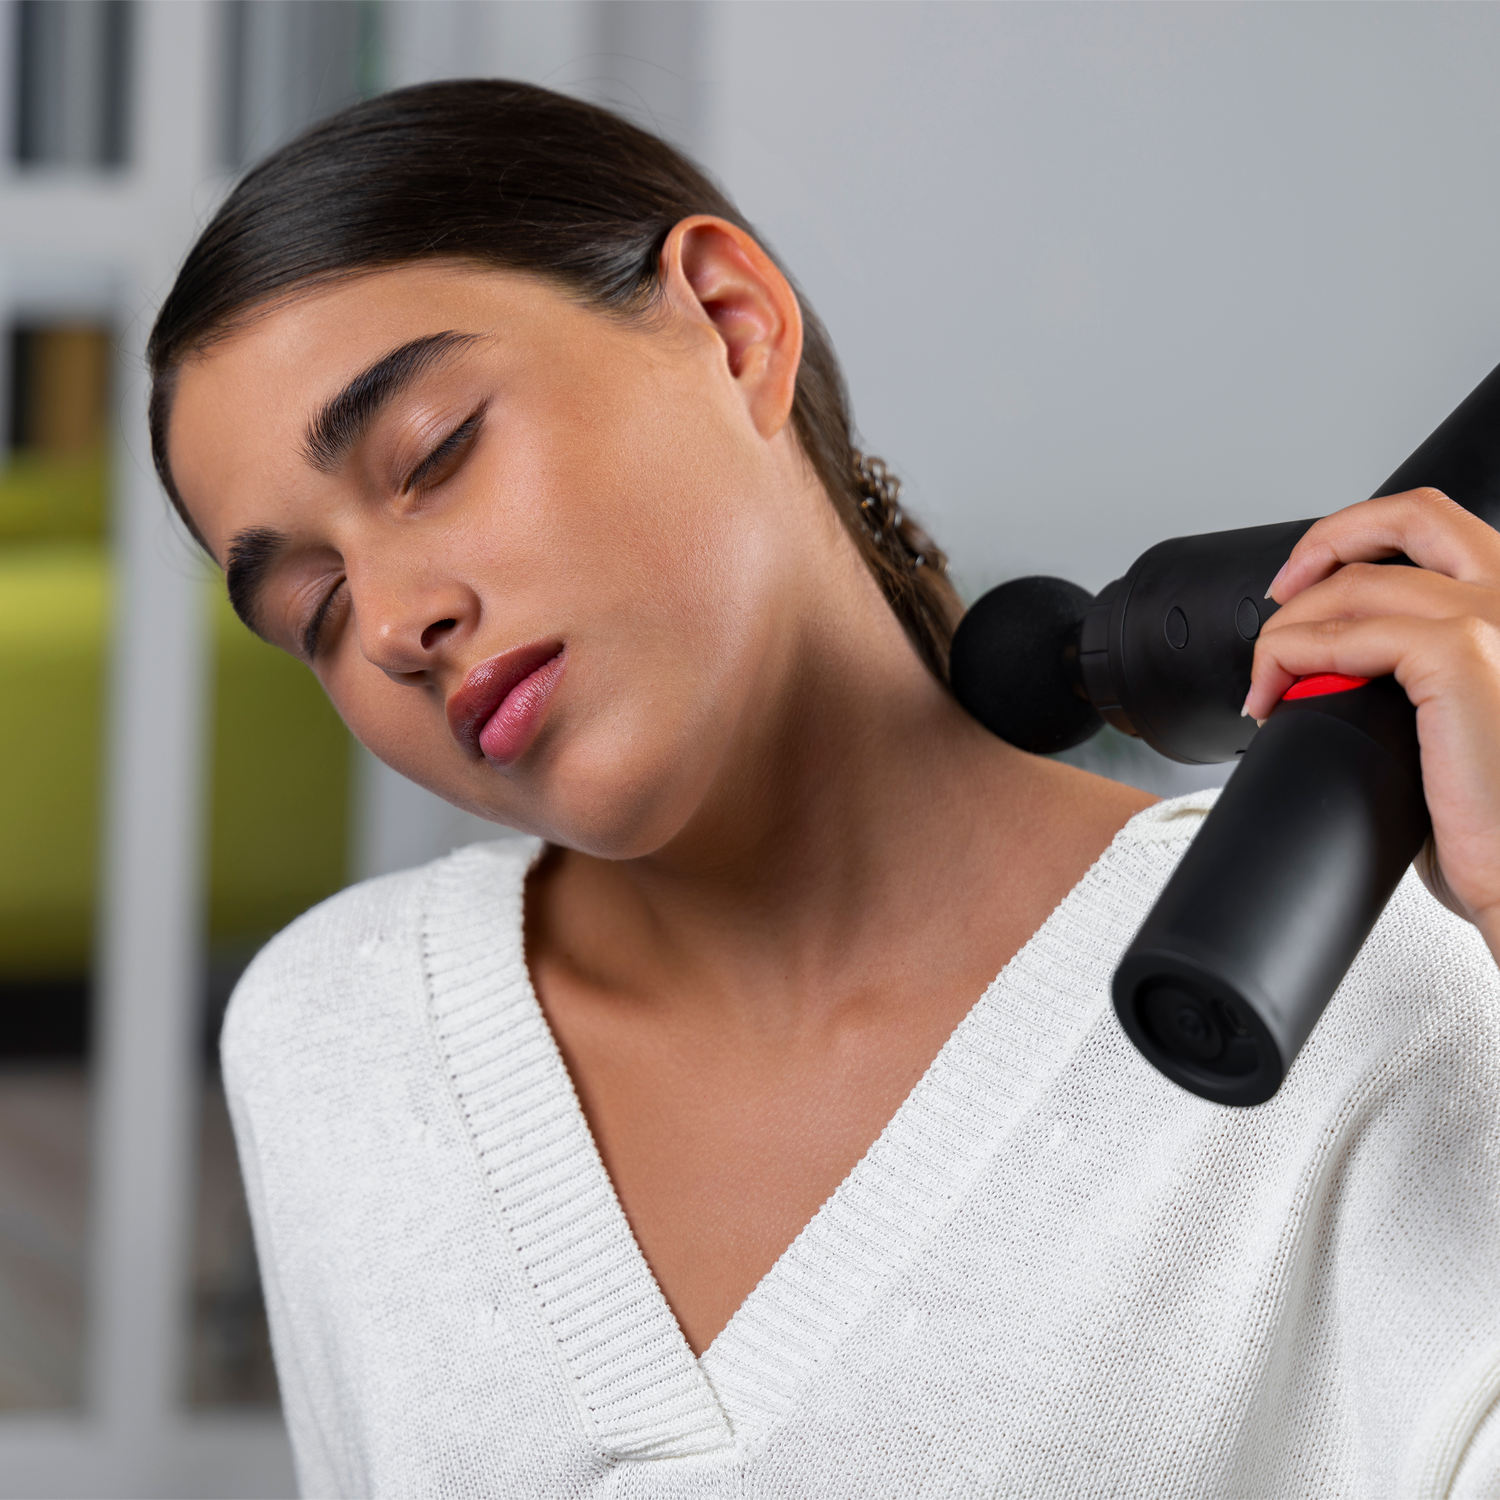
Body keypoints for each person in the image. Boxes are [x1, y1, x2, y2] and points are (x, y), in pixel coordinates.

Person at [148, 80, 1500, 1497]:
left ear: (731, 325)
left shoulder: (1375, 995)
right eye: (311, 610)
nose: (387, 626)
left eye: (434, 454)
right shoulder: (338, 1040)